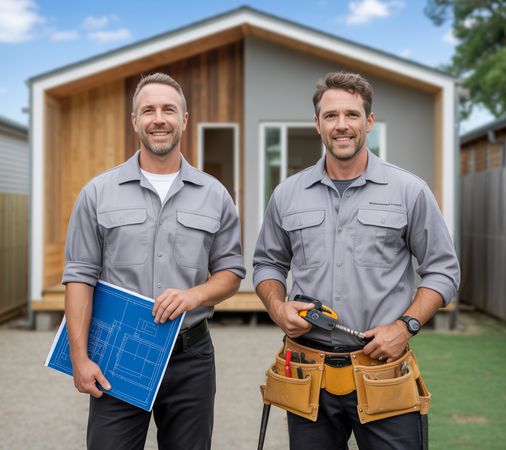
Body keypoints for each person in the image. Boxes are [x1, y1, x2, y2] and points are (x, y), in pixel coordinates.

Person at [253, 71, 460, 450]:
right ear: (317, 124)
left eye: (351, 115)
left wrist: (405, 326)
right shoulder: (287, 194)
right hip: (307, 374)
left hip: (384, 375)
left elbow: (444, 271)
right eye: (331, 116)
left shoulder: (409, 191)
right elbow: (267, 264)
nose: (341, 125)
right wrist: (277, 307)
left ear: (369, 121)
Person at [62, 72, 245, 450]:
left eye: (168, 109)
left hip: (190, 356)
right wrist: (79, 357)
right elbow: (79, 277)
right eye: (148, 110)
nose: (158, 118)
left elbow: (231, 273)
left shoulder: (215, 195)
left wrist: (194, 296)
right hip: (116, 355)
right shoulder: (97, 193)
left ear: (184, 120)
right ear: (135, 121)